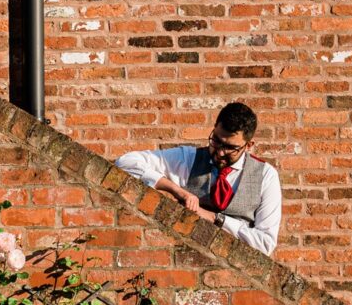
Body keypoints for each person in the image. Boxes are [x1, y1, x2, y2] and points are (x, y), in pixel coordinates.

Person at [115, 101, 282, 255]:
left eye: (230, 148)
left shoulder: (266, 176)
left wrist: (214, 218)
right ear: (215, 128)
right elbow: (126, 162)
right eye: (216, 141)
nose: (220, 152)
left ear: (249, 145)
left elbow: (265, 243)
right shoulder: (188, 159)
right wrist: (177, 191)